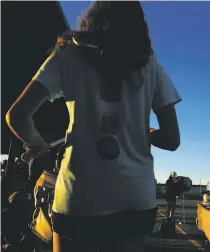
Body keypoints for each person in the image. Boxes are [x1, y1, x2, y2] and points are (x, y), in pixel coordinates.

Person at [5, 2, 181, 251]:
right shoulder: (150, 66)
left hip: (79, 199)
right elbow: (171, 140)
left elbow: (17, 116)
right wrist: (142, 131)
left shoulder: (66, 56)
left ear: (93, 17)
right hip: (135, 199)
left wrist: (39, 145)